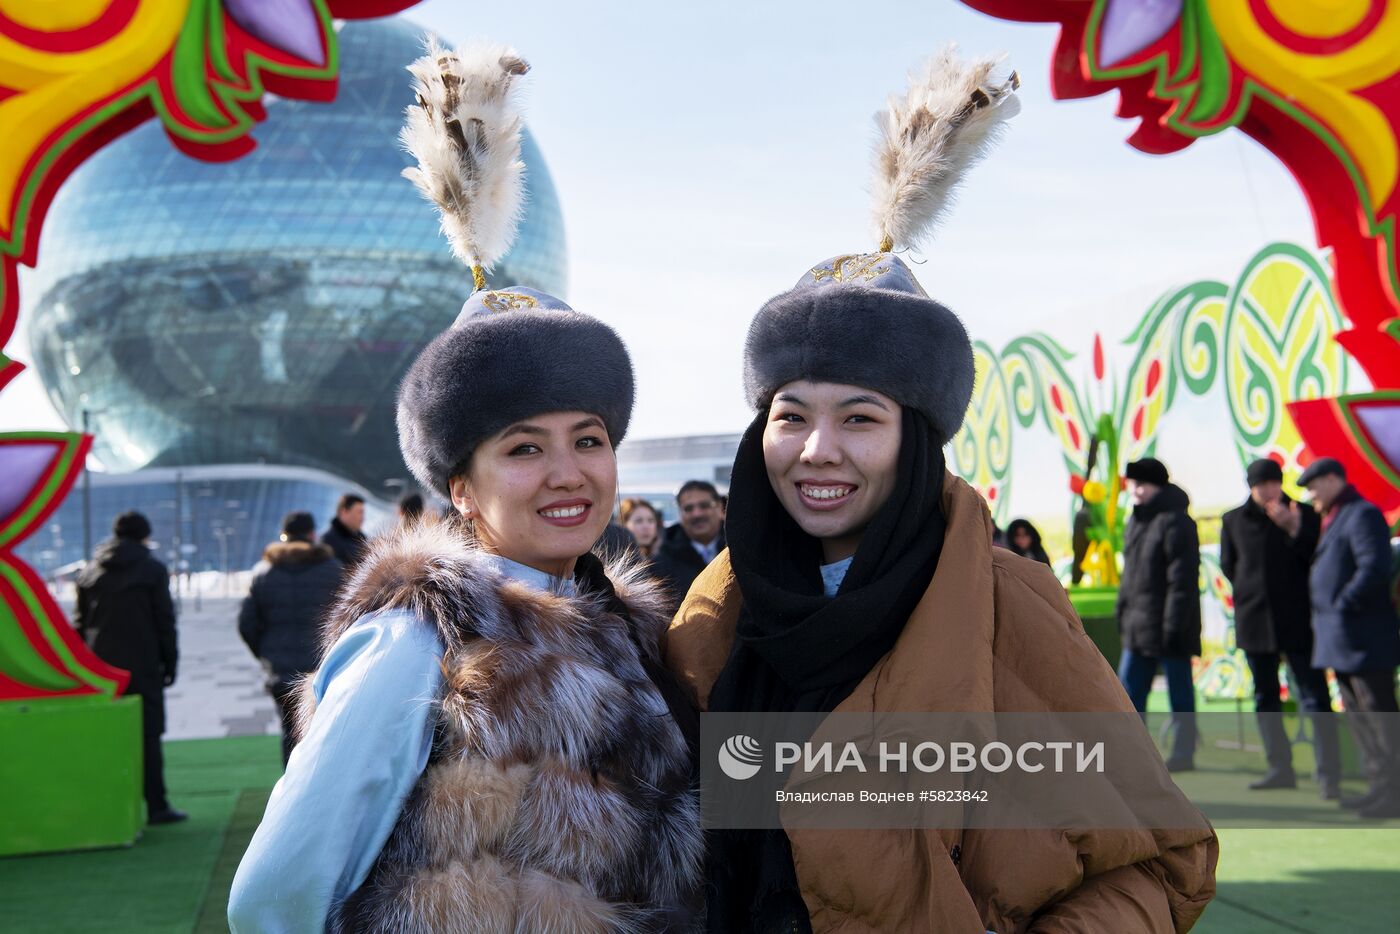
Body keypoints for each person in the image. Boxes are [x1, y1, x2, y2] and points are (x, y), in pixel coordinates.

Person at [666, 50, 1215, 933]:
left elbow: (1161, 863)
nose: (818, 451)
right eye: (789, 415)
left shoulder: (1004, 603)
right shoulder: (714, 611)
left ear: (917, 440)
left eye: (861, 419)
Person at [228, 42, 701, 932]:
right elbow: (272, 897)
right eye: (523, 449)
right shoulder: (415, 644)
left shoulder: (632, 633)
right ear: (464, 490)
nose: (569, 474)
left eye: (588, 440)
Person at [1219, 458, 1340, 797]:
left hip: (1298, 619)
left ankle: (1329, 773)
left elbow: (1316, 559)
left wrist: (1292, 529)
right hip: (1254, 621)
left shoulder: (1303, 513)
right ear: (1251, 487)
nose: (1270, 490)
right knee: (1265, 697)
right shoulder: (1233, 520)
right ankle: (1279, 768)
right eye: (1262, 485)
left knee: (1314, 696)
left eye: (1274, 483)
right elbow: (1230, 566)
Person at [1299, 457, 1400, 819]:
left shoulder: (1361, 514)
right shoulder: (1336, 517)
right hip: (1342, 639)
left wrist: (1342, 605)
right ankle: (1379, 787)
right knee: (1358, 715)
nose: (1310, 495)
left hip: (1363, 638)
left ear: (1332, 479)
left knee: (1379, 715)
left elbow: (1374, 567)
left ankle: (1393, 790)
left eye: (1313, 486)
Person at [75, 511, 185, 825]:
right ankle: (157, 806)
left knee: (106, 735)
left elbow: (80, 626)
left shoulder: (89, 573)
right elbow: (165, 621)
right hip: (143, 663)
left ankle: (108, 807)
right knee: (149, 736)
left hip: (101, 668)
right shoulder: (152, 570)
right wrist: (170, 662)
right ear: (144, 536)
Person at [1117, 456, 1202, 771]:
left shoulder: (1177, 521)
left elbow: (1182, 581)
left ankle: (1183, 753)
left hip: (1171, 628)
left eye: (1141, 485)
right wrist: (1122, 610)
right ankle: (1133, 753)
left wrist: (1173, 625)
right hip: (1138, 626)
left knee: (1180, 695)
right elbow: (1131, 576)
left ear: (1156, 485)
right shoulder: (1136, 521)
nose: (1135, 492)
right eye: (1132, 485)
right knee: (1128, 695)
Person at [238, 511, 343, 766]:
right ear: (312, 535)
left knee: (290, 734)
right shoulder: (332, 570)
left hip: (281, 674)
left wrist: (266, 654)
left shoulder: (264, 572)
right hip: (322, 671)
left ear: (283, 537)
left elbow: (246, 623)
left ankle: (291, 795)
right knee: (323, 734)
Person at [652, 479, 726, 606]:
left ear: (720, 508)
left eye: (704, 505)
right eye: (688, 508)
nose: (697, 514)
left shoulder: (743, 552)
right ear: (680, 514)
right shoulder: (661, 566)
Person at [320, 492, 368, 567]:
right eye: (359, 512)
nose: (362, 518)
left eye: (363, 513)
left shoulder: (363, 538)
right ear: (344, 512)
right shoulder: (328, 540)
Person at [621, 497, 664, 561]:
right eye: (639, 521)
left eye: (650, 520)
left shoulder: (668, 556)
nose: (646, 527)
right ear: (624, 524)